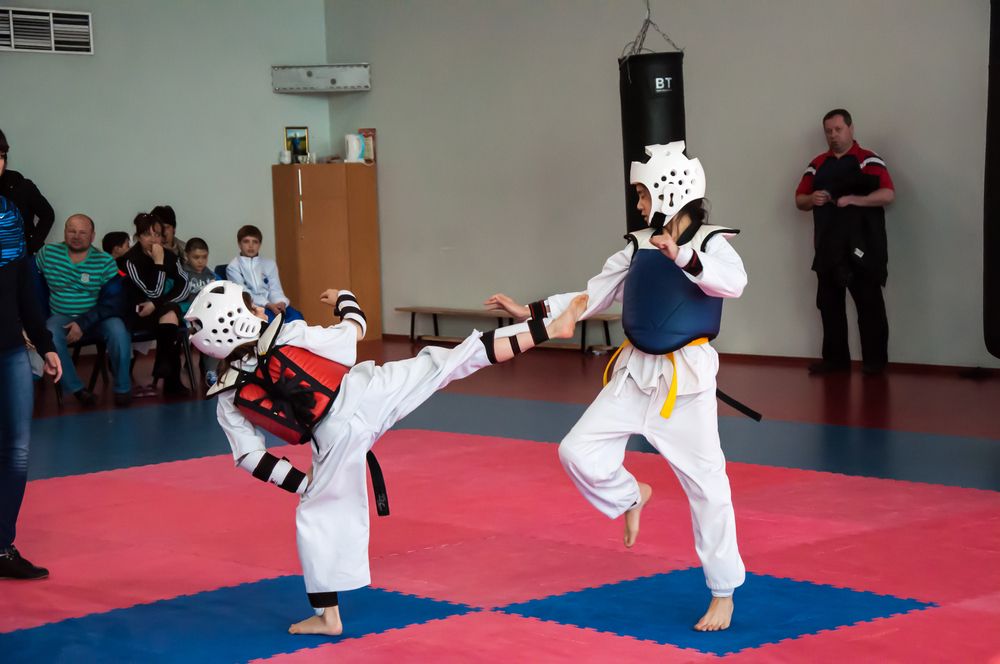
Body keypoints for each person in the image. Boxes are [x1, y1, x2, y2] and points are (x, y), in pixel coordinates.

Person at [186, 281, 588, 635]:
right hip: (368, 393)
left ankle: (327, 616)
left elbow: (250, 457)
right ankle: (549, 328)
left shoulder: (227, 395)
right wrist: (344, 297)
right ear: (240, 319)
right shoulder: (289, 333)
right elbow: (352, 330)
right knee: (452, 360)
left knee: (316, 518)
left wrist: (303, 484)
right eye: (252, 307)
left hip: (334, 439)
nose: (260, 310)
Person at [486, 142, 747, 632]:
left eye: (644, 196)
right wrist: (534, 310)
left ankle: (723, 592)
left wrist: (685, 256)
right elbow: (592, 294)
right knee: (575, 451)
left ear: (672, 191)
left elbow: (733, 284)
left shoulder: (712, 244)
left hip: (684, 384)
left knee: (708, 488)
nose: (641, 206)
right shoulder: (636, 246)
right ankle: (631, 495)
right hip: (633, 375)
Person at [794, 109, 895, 375]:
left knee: (870, 306)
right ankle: (835, 362)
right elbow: (799, 200)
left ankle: (875, 364)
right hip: (828, 246)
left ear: (850, 128)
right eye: (829, 131)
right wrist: (811, 199)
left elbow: (887, 194)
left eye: (838, 129)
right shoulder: (817, 163)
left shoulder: (868, 159)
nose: (833, 135)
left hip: (864, 245)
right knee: (829, 306)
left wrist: (853, 200)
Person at [0, 193, 61, 580]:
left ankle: (3, 546)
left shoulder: (10, 218)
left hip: (8, 350)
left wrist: (46, 345)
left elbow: (27, 293)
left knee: (17, 451)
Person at [36, 214, 132, 407]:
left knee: (119, 331)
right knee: (49, 335)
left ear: (92, 235)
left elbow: (114, 302)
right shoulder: (47, 254)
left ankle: (122, 389)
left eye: (82, 232)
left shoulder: (104, 261)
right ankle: (78, 390)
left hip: (96, 317)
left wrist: (83, 322)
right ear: (64, 232)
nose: (76, 236)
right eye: (71, 231)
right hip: (60, 316)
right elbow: (29, 285)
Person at [118, 213, 191, 396]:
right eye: (147, 235)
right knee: (170, 317)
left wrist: (156, 304)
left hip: (159, 312)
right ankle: (170, 380)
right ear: (138, 237)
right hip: (137, 313)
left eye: (157, 234)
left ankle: (164, 368)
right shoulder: (130, 260)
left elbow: (185, 286)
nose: (153, 239)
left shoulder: (169, 256)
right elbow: (152, 292)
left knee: (171, 313)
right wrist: (158, 263)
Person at [227, 224, 303, 322]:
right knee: (272, 323)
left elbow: (275, 289)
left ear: (260, 244)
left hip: (273, 304)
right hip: (253, 307)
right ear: (239, 244)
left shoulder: (269, 264)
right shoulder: (233, 267)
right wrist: (268, 304)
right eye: (246, 241)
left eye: (255, 242)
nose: (251, 246)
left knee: (297, 317)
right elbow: (245, 294)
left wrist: (280, 302)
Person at [0, 129, 54, 255]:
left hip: (19, 258)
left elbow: (48, 214)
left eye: (1, 156)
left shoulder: (20, 185)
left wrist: (31, 244)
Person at [181, 237, 220, 384]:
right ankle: (200, 366)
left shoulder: (210, 275)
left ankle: (211, 370)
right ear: (186, 256)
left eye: (204, 257)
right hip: (187, 316)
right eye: (196, 257)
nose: (200, 261)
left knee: (215, 329)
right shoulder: (182, 274)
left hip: (205, 316)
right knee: (201, 330)